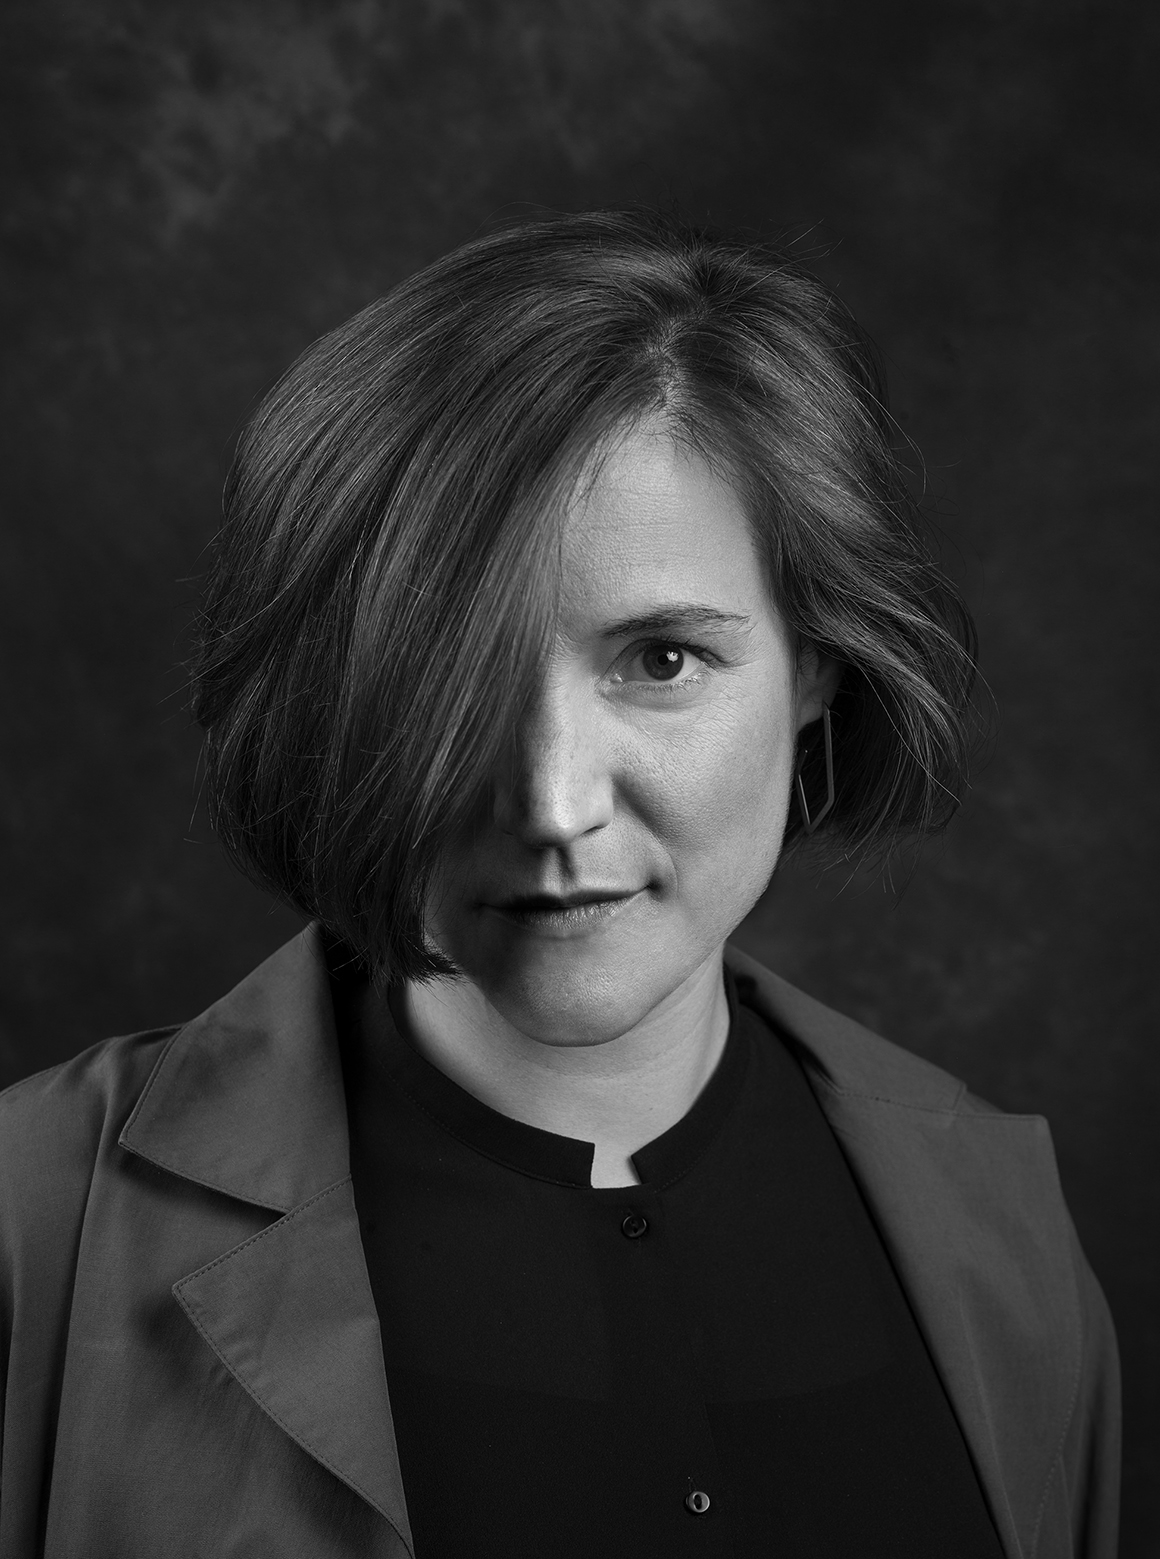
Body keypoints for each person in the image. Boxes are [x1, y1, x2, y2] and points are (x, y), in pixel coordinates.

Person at [0, 210, 1118, 1558]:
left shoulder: (1001, 1220)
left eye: (662, 661)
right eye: (453, 674)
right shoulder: (32, 1220)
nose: (549, 802)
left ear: (817, 665)